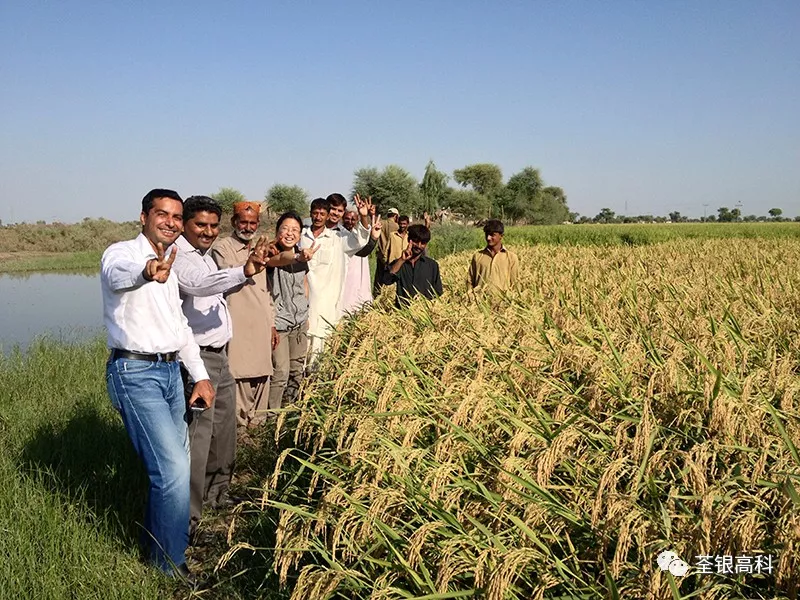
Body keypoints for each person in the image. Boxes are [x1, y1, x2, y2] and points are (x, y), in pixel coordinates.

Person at [101, 188, 215, 581]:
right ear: (144, 216)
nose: (170, 222)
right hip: (135, 373)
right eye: (162, 214)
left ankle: (166, 546)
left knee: (174, 470)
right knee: (171, 469)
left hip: (169, 374)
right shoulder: (122, 254)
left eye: (176, 217)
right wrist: (147, 271)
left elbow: (179, 327)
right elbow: (117, 277)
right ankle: (168, 566)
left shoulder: (173, 264)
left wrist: (199, 375)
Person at [170, 196, 270, 539]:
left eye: (213, 225)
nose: (208, 232)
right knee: (199, 437)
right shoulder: (181, 258)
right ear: (185, 224)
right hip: (198, 358)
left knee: (224, 430)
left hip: (220, 353)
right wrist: (243, 270)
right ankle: (190, 520)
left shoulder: (204, 257)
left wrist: (246, 273)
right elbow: (198, 286)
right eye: (200, 225)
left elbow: (217, 288)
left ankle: (219, 492)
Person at [209, 201, 296, 428]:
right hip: (237, 322)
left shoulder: (262, 247)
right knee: (238, 376)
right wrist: (254, 258)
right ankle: (240, 432)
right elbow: (229, 272)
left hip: (261, 322)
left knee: (263, 374)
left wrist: (272, 324)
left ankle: (257, 429)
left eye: (252, 223)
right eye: (243, 222)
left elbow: (266, 289)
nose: (247, 227)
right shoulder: (222, 247)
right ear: (234, 222)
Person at [300, 195, 372, 363]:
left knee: (319, 360)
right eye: (316, 213)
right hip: (302, 308)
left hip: (327, 309)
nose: (320, 217)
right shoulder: (302, 235)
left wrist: (363, 216)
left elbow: (361, 240)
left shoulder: (340, 238)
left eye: (339, 210)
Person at [266, 211, 316, 409]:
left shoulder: (302, 254)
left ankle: (292, 408)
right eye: (285, 228)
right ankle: (272, 416)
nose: (289, 233)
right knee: (281, 371)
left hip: (299, 322)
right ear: (277, 231)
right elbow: (279, 260)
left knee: (297, 369)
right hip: (279, 324)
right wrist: (297, 256)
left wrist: (305, 310)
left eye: (295, 229)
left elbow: (303, 283)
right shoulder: (271, 253)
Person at [385, 223, 443, 308]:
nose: (419, 246)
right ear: (409, 240)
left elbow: (438, 292)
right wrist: (402, 260)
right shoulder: (399, 263)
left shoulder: (432, 266)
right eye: (416, 241)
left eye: (423, 243)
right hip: (402, 315)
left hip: (424, 314)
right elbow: (387, 280)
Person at [341, 208, 382, 313]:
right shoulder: (339, 235)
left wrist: (373, 237)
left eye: (353, 219)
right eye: (347, 219)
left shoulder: (359, 234)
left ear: (357, 220)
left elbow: (365, 250)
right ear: (342, 219)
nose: (350, 222)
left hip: (359, 271)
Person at [467, 219, 519, 292]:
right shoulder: (478, 256)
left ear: (501, 236)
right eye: (487, 234)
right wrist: (470, 296)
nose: (488, 238)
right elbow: (470, 281)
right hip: (480, 301)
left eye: (492, 235)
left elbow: (515, 284)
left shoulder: (511, 258)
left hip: (503, 302)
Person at [374, 207, 399, 293]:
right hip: (391, 257)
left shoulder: (380, 223)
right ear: (396, 216)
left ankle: (376, 295)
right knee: (390, 280)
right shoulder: (397, 227)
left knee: (379, 279)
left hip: (380, 255)